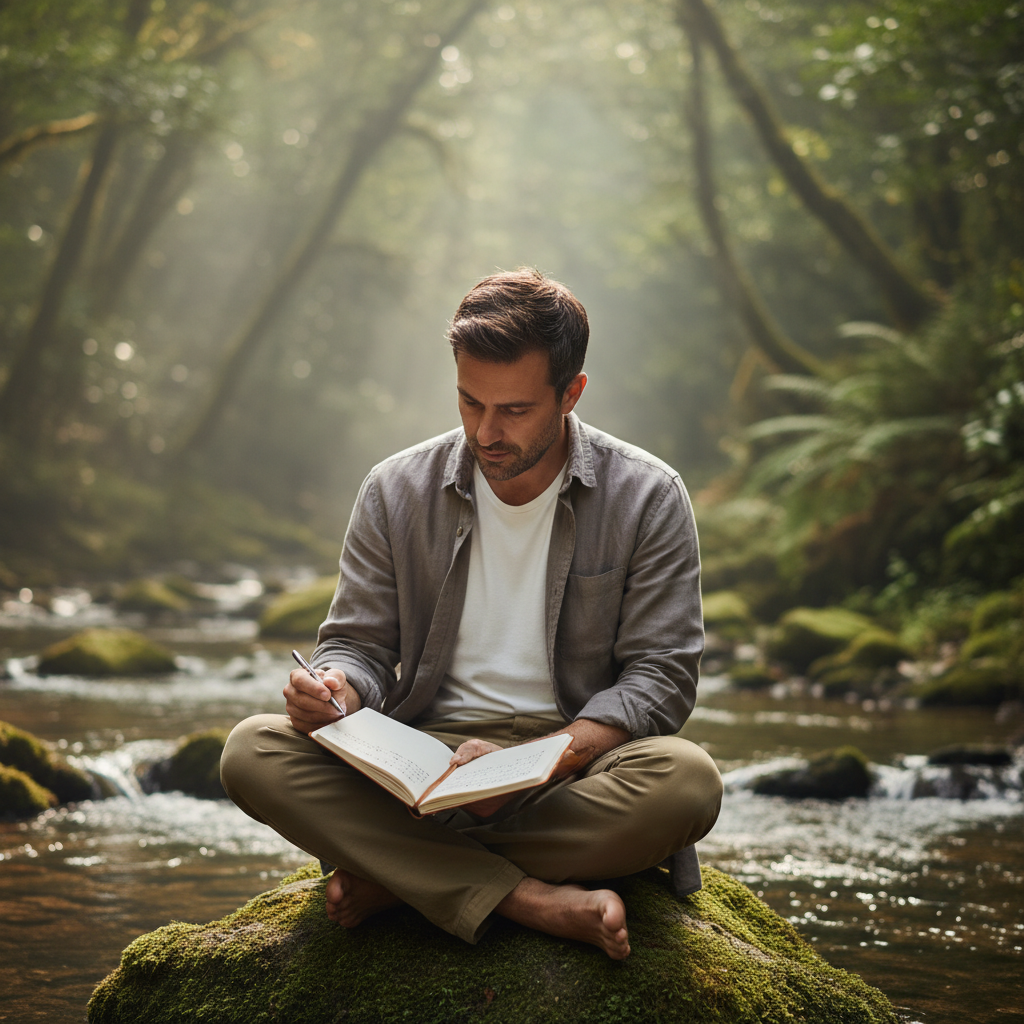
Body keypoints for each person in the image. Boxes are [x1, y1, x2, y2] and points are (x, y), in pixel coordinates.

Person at [221, 268, 722, 960]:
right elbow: (359, 644)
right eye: (469, 402)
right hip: (424, 766)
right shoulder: (395, 490)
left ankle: (403, 878)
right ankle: (528, 899)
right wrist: (338, 686)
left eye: (514, 410)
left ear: (570, 394)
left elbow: (662, 677)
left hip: (572, 764)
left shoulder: (649, 496)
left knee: (689, 782)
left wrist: (540, 762)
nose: (486, 431)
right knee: (251, 750)